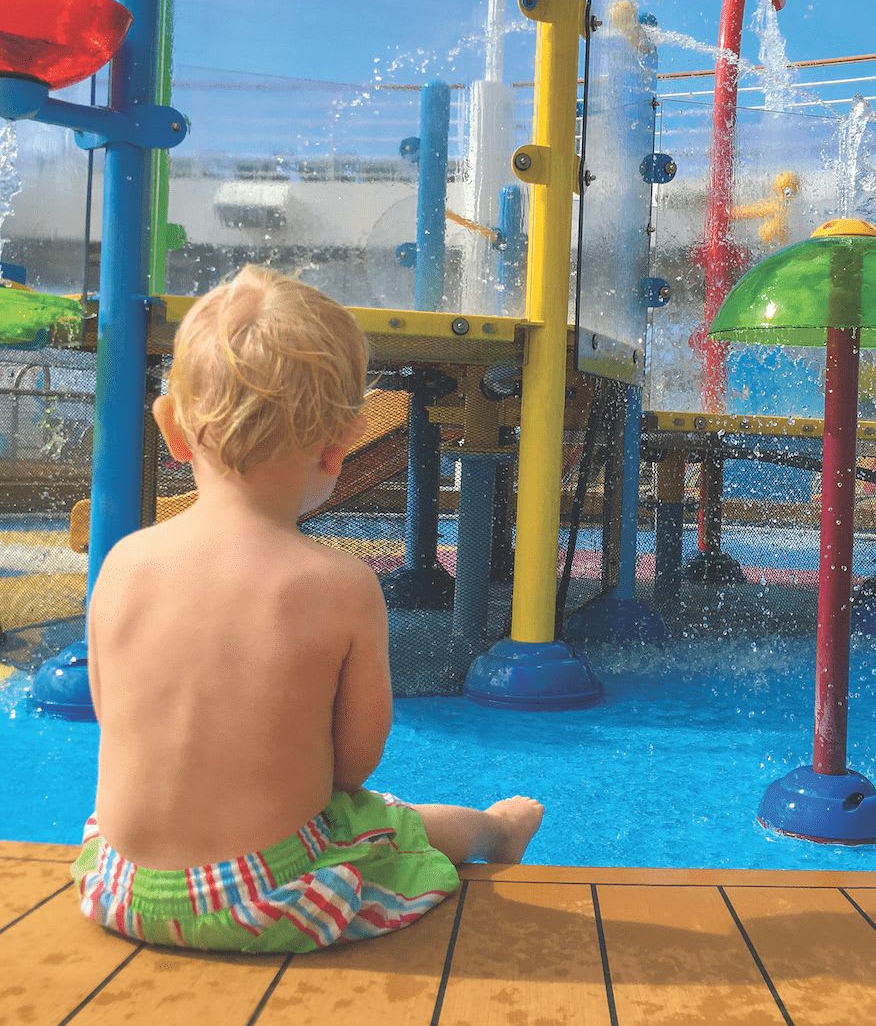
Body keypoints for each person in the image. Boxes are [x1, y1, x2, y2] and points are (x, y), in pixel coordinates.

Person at [72, 265, 543, 952]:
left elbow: (114, 715)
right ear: (339, 444)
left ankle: (491, 831)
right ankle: (495, 833)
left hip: (125, 888)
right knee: (387, 822)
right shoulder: (341, 585)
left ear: (171, 428)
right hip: (265, 898)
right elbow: (352, 768)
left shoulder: (122, 564)